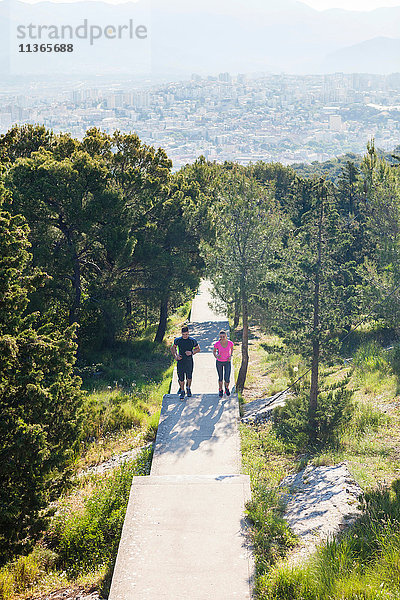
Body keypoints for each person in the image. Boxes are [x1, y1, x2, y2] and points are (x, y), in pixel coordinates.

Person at [171, 326, 200, 400]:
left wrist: (192, 352)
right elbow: (173, 348)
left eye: (186, 334)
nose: (185, 336)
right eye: (184, 334)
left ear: (189, 333)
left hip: (189, 361)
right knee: (181, 377)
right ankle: (182, 391)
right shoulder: (178, 340)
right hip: (180, 360)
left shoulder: (192, 340)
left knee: (189, 376)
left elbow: (198, 349)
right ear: (181, 334)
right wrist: (176, 356)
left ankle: (188, 388)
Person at [213, 329, 234, 397]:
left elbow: (232, 348)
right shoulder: (217, 344)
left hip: (227, 362)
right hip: (219, 362)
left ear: (226, 336)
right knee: (220, 377)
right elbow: (214, 351)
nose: (222, 338)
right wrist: (216, 356)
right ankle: (220, 389)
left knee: (227, 378)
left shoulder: (230, 343)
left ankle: (227, 388)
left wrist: (230, 356)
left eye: (223, 336)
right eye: (221, 337)